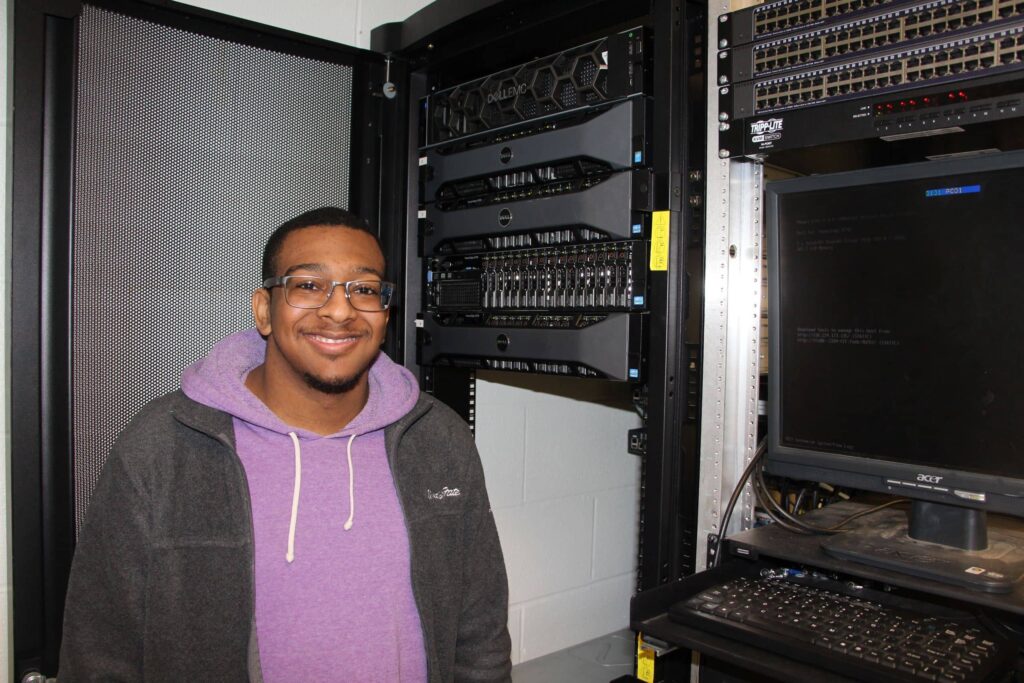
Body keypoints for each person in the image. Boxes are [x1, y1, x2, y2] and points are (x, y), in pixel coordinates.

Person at [58, 207, 512, 682]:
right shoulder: (164, 446)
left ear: (384, 315)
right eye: (309, 285)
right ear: (264, 310)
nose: (339, 310)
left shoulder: (438, 439)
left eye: (364, 289)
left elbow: (479, 631)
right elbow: (99, 649)